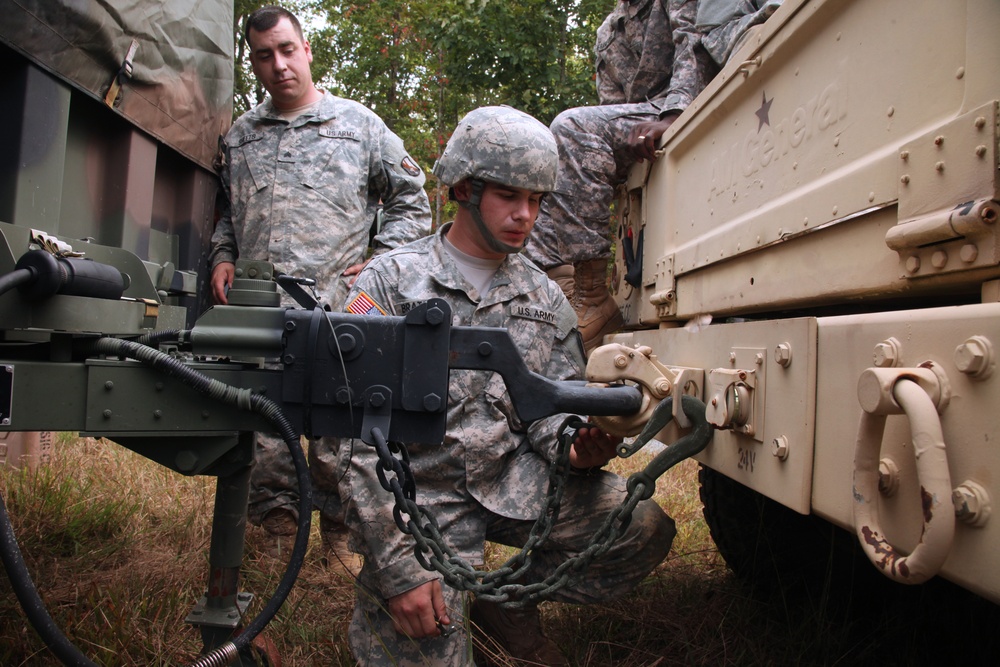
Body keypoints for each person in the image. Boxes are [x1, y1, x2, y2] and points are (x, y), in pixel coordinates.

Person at [339, 106, 676, 666]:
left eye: (538, 201)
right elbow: (347, 437)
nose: (526, 216)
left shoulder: (543, 296)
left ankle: (501, 600)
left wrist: (575, 443)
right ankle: (435, 591)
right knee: (427, 647)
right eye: (510, 197)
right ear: (465, 190)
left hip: (507, 481)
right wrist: (398, 569)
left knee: (637, 524)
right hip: (418, 497)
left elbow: (554, 399)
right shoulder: (389, 282)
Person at [208, 5, 432, 568]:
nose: (279, 64)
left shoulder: (359, 126)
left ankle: (340, 534)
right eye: (264, 55)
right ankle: (280, 531)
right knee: (264, 423)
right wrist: (224, 255)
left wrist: (383, 260)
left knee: (341, 424)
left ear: (307, 50)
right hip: (261, 308)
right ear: (253, 62)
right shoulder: (240, 137)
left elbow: (413, 201)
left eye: (287, 50)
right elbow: (227, 212)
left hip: (344, 305)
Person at [523, 0, 711, 354]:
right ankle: (564, 296)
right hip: (635, 124)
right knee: (547, 175)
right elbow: (609, 108)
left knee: (571, 127)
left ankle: (593, 298)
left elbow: (694, 43)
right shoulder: (608, 30)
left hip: (679, 107)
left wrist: (674, 113)